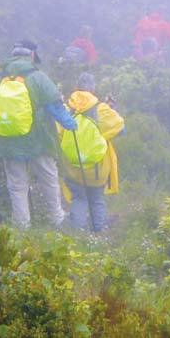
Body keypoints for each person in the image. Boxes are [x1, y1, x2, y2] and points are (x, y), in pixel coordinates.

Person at [0, 39, 77, 230]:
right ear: (32, 55)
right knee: (49, 179)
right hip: (39, 140)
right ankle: (56, 218)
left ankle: (21, 225)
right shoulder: (37, 77)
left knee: (17, 185)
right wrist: (70, 123)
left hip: (7, 141)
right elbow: (55, 106)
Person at [58, 72, 125, 232]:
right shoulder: (101, 109)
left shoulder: (66, 108)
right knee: (96, 198)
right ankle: (99, 233)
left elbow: (58, 132)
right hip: (97, 168)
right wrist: (111, 110)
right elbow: (122, 130)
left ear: (76, 87)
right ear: (93, 88)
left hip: (72, 167)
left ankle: (76, 236)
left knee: (79, 198)